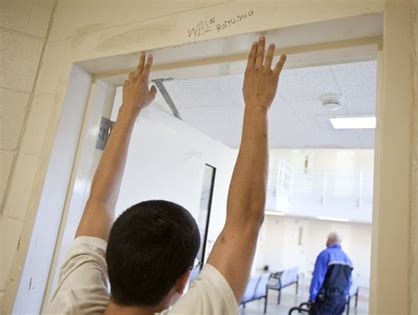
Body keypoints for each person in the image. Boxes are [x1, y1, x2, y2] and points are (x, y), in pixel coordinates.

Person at [45, 36, 286, 315]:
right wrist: (256, 105)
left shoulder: (70, 304)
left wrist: (128, 110)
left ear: (110, 259)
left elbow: (98, 205)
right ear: (183, 282)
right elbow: (243, 223)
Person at [308, 232, 353, 315]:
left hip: (326, 298)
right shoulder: (347, 259)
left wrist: (312, 297)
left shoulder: (325, 254)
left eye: (327, 239)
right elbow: (349, 282)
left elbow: (318, 277)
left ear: (330, 240)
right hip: (341, 300)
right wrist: (343, 295)